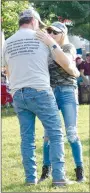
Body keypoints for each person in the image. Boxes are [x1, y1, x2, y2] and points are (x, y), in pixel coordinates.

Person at [2, 8, 79, 187]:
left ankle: (30, 179)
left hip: (18, 94)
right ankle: (59, 178)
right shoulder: (42, 38)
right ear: (35, 21)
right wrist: (52, 43)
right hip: (40, 91)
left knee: (27, 138)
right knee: (55, 133)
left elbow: (7, 71)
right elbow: (66, 63)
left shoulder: (8, 42)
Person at [36, 21, 85, 183]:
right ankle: (46, 171)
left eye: (54, 32)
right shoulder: (45, 50)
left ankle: (79, 170)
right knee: (48, 135)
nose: (50, 34)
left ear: (63, 34)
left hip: (67, 92)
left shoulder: (67, 47)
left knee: (71, 132)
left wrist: (51, 45)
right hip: (50, 93)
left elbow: (66, 62)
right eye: (48, 32)